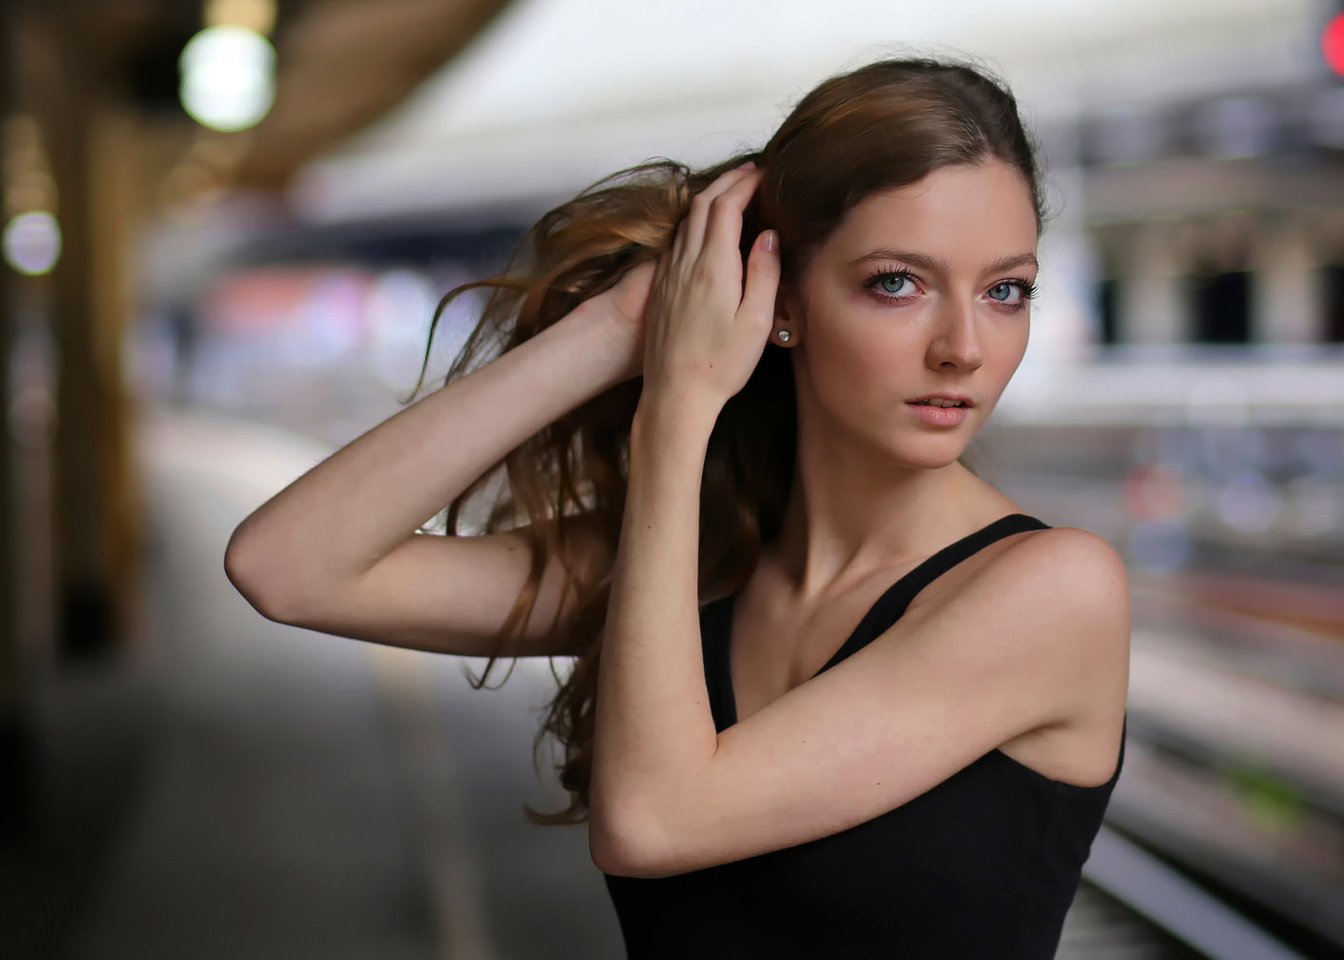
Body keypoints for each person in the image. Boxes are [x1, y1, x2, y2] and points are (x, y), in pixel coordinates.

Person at [226, 53, 1130, 959]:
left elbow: (654, 822)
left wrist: (677, 407)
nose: (964, 348)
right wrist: (622, 327)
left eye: (1005, 290)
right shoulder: (697, 560)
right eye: (898, 282)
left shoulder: (1052, 593)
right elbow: (288, 567)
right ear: (782, 300)